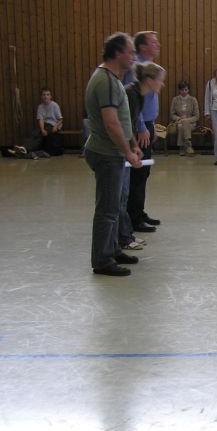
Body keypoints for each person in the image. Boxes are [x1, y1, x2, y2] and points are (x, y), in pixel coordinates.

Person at [84, 32, 142, 277]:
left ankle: (113, 249)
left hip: (112, 152)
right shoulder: (106, 81)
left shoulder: (112, 79)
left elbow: (122, 118)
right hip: (106, 154)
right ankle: (102, 260)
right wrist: (127, 151)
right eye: (130, 52)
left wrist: (132, 143)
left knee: (115, 206)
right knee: (107, 210)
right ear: (117, 53)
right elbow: (111, 122)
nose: (133, 57)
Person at [122, 62, 166, 253]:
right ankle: (123, 237)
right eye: (160, 80)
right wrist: (129, 150)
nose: (162, 84)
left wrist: (133, 146)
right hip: (112, 149)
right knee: (122, 192)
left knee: (129, 186)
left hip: (127, 143)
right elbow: (122, 125)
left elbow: (129, 124)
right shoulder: (131, 94)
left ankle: (125, 234)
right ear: (148, 80)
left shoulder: (139, 95)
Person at [125, 31, 162, 233]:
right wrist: (140, 127)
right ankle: (134, 216)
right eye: (153, 42)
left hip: (147, 123)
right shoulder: (137, 68)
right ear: (142, 46)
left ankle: (138, 211)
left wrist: (151, 124)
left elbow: (148, 102)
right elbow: (132, 103)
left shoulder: (150, 66)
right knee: (138, 172)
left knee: (144, 172)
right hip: (139, 126)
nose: (157, 45)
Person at [24, 88, 63, 156]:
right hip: (45, 125)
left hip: (54, 124)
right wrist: (42, 129)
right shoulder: (40, 107)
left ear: (50, 96)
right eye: (44, 95)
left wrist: (55, 126)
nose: (46, 96)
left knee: (43, 133)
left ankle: (28, 149)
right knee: (36, 132)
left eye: (47, 95)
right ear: (41, 96)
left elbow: (60, 119)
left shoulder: (55, 105)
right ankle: (25, 148)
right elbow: (41, 120)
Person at [170, 81, 200, 156]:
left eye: (186, 90)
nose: (184, 91)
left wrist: (186, 120)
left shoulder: (193, 100)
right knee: (181, 125)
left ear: (188, 90)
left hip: (191, 123)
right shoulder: (175, 99)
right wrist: (179, 118)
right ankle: (188, 144)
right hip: (179, 122)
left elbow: (197, 116)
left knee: (184, 124)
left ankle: (182, 148)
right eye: (182, 90)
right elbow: (172, 115)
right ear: (179, 90)